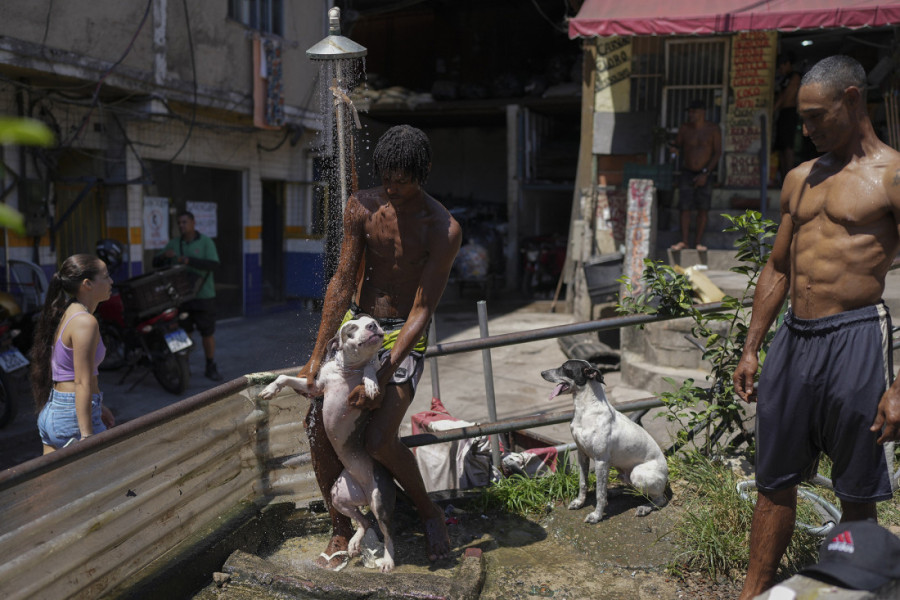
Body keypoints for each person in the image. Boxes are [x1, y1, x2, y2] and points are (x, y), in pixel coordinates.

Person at [733, 55, 900, 599]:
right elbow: (779, 266)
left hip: (856, 338)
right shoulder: (801, 179)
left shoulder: (892, 176)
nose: (805, 131)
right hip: (794, 340)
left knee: (857, 487)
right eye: (800, 120)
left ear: (852, 100)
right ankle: (753, 593)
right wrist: (752, 346)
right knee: (773, 480)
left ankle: (858, 589)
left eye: (815, 117)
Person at [297, 124, 461, 570]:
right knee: (317, 426)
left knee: (377, 437)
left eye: (402, 179)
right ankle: (340, 525)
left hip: (404, 331)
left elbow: (423, 308)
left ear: (423, 172)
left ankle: (429, 515)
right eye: (386, 177)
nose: (392, 187)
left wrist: (381, 376)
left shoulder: (443, 228)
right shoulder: (362, 207)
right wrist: (316, 357)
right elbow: (343, 280)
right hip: (358, 324)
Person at [31, 254, 115, 453]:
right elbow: (82, 382)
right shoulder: (85, 322)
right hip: (72, 419)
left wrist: (98, 406)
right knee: (107, 481)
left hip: (57, 411)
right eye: (106, 276)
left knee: (53, 484)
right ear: (87, 284)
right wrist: (87, 435)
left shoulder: (71, 311)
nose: (111, 281)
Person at [153, 210, 222, 381]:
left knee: (207, 333)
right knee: (182, 332)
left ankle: (210, 365)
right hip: (181, 298)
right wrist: (163, 256)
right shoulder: (174, 243)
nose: (182, 226)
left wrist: (189, 261)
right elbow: (155, 262)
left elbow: (214, 265)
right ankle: (183, 368)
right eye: (179, 223)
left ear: (193, 223)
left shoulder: (205, 242)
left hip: (204, 296)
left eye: (184, 222)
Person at [670, 99, 722, 252]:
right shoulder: (685, 129)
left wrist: (705, 173)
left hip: (705, 172)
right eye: (690, 112)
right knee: (684, 207)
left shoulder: (712, 129)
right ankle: (684, 241)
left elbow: (717, 152)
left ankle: (698, 242)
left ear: (702, 112)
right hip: (687, 171)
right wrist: (674, 149)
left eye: (694, 112)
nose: (691, 115)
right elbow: (678, 145)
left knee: (703, 208)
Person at [773, 52, 802, 182]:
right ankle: (784, 175)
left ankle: (789, 176)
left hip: (790, 112)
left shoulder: (794, 77)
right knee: (781, 146)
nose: (780, 70)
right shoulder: (784, 78)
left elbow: (786, 96)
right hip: (783, 113)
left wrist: (773, 109)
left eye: (781, 66)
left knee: (788, 146)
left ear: (787, 64)